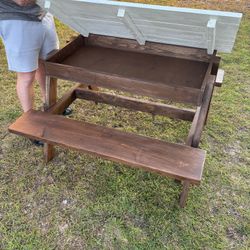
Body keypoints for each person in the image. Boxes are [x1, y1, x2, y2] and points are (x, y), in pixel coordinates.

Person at [0, 0, 59, 113]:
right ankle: (30, 119)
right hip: (16, 19)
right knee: (27, 75)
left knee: (47, 65)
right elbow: (21, 1)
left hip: (43, 14)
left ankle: (49, 105)